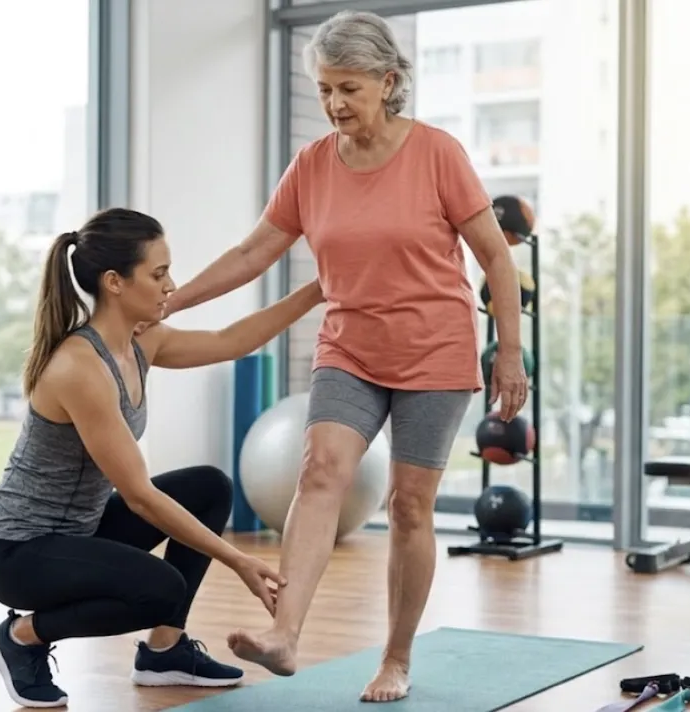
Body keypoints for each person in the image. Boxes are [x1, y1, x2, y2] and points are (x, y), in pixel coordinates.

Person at [158, 10, 529, 704]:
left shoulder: (437, 154)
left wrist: (509, 353)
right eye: (326, 89)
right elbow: (252, 252)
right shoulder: (312, 165)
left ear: (388, 82)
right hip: (349, 346)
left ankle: (396, 656)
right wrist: (175, 302)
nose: (334, 105)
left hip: (434, 351)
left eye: (349, 88)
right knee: (320, 469)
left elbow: (495, 259)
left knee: (409, 507)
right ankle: (285, 634)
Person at [0, 207, 325, 709]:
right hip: (19, 553)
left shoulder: (141, 341)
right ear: (115, 282)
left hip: (77, 531)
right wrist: (238, 560)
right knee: (160, 588)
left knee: (210, 485)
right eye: (159, 274)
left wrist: (317, 290)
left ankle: (165, 653)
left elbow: (232, 341)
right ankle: (22, 637)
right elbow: (140, 496)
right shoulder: (79, 366)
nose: (171, 285)